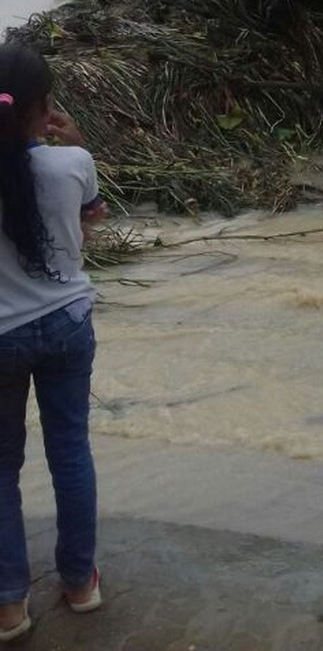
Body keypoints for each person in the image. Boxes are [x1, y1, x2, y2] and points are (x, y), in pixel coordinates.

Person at [0, 45, 106, 641]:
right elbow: (90, 221)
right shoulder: (73, 162)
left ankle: (9, 606)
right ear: (43, 110)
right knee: (70, 451)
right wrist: (76, 142)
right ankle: (80, 584)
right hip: (67, 322)